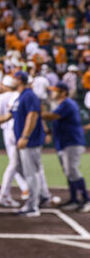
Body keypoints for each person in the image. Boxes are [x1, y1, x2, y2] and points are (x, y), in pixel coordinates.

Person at [0, 71, 46, 217]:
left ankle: (33, 206)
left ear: (19, 80)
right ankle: (41, 195)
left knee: (31, 173)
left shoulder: (29, 95)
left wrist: (25, 136)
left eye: (14, 78)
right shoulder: (20, 97)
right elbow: (8, 116)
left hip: (30, 141)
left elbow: (33, 115)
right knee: (21, 168)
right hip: (23, 140)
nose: (12, 80)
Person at [42, 82, 89, 212]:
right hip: (64, 142)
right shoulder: (62, 104)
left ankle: (86, 199)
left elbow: (52, 116)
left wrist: (35, 112)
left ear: (63, 92)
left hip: (72, 142)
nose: (52, 92)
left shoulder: (67, 103)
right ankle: (74, 199)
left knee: (72, 171)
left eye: (55, 90)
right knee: (69, 172)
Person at [0, 75, 29, 206]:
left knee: (16, 164)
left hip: (9, 131)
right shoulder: (18, 94)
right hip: (19, 131)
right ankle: (24, 190)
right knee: (17, 164)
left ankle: (15, 192)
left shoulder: (1, 97)